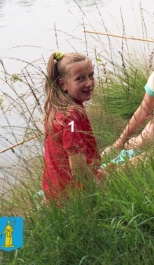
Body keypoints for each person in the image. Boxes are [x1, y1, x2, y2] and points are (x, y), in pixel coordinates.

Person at [42, 51, 102, 201]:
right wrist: (101, 189)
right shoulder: (72, 121)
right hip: (72, 196)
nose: (89, 83)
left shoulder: (59, 109)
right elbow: (78, 168)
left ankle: (5, 226)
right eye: (80, 78)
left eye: (91, 75)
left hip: (54, 190)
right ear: (63, 85)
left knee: (113, 171)